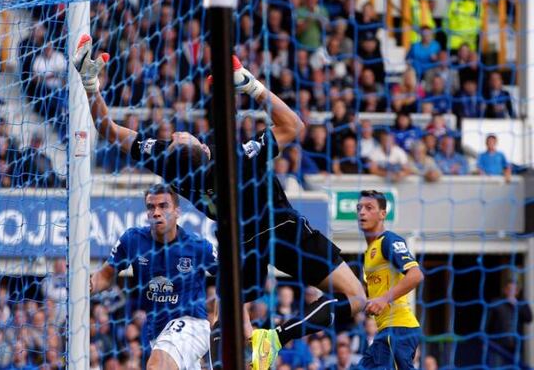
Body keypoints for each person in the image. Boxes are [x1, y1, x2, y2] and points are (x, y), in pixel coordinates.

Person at [74, 34, 366, 369]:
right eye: (178, 139)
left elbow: (107, 128)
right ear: (205, 148)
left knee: (234, 328)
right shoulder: (236, 158)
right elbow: (294, 124)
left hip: (241, 248)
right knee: (355, 297)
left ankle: (258, 342)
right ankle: (278, 337)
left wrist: (91, 86)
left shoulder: (173, 166)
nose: (176, 136)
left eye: (177, 138)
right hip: (280, 228)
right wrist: (249, 85)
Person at [90, 184, 218, 370]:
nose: (156, 212)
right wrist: (87, 286)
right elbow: (105, 275)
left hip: (192, 325)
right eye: (151, 207)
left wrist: (218, 317)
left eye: (163, 206)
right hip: (156, 333)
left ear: (177, 211)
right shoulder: (132, 240)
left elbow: (230, 279)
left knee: (156, 367)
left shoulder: (198, 246)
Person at [357, 190, 425, 370]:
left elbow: (416, 275)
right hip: (384, 332)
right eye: (359, 208)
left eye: (369, 208)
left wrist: (384, 299)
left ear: (382, 214)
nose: (362, 212)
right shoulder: (368, 253)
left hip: (399, 329)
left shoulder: (389, 240)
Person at [486, 279, 532, 367]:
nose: (511, 292)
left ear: (517, 291)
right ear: (505, 290)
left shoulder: (522, 304)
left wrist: (517, 306)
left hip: (515, 347)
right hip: (498, 346)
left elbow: (529, 318)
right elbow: (488, 324)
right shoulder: (496, 303)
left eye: (514, 290)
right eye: (509, 289)